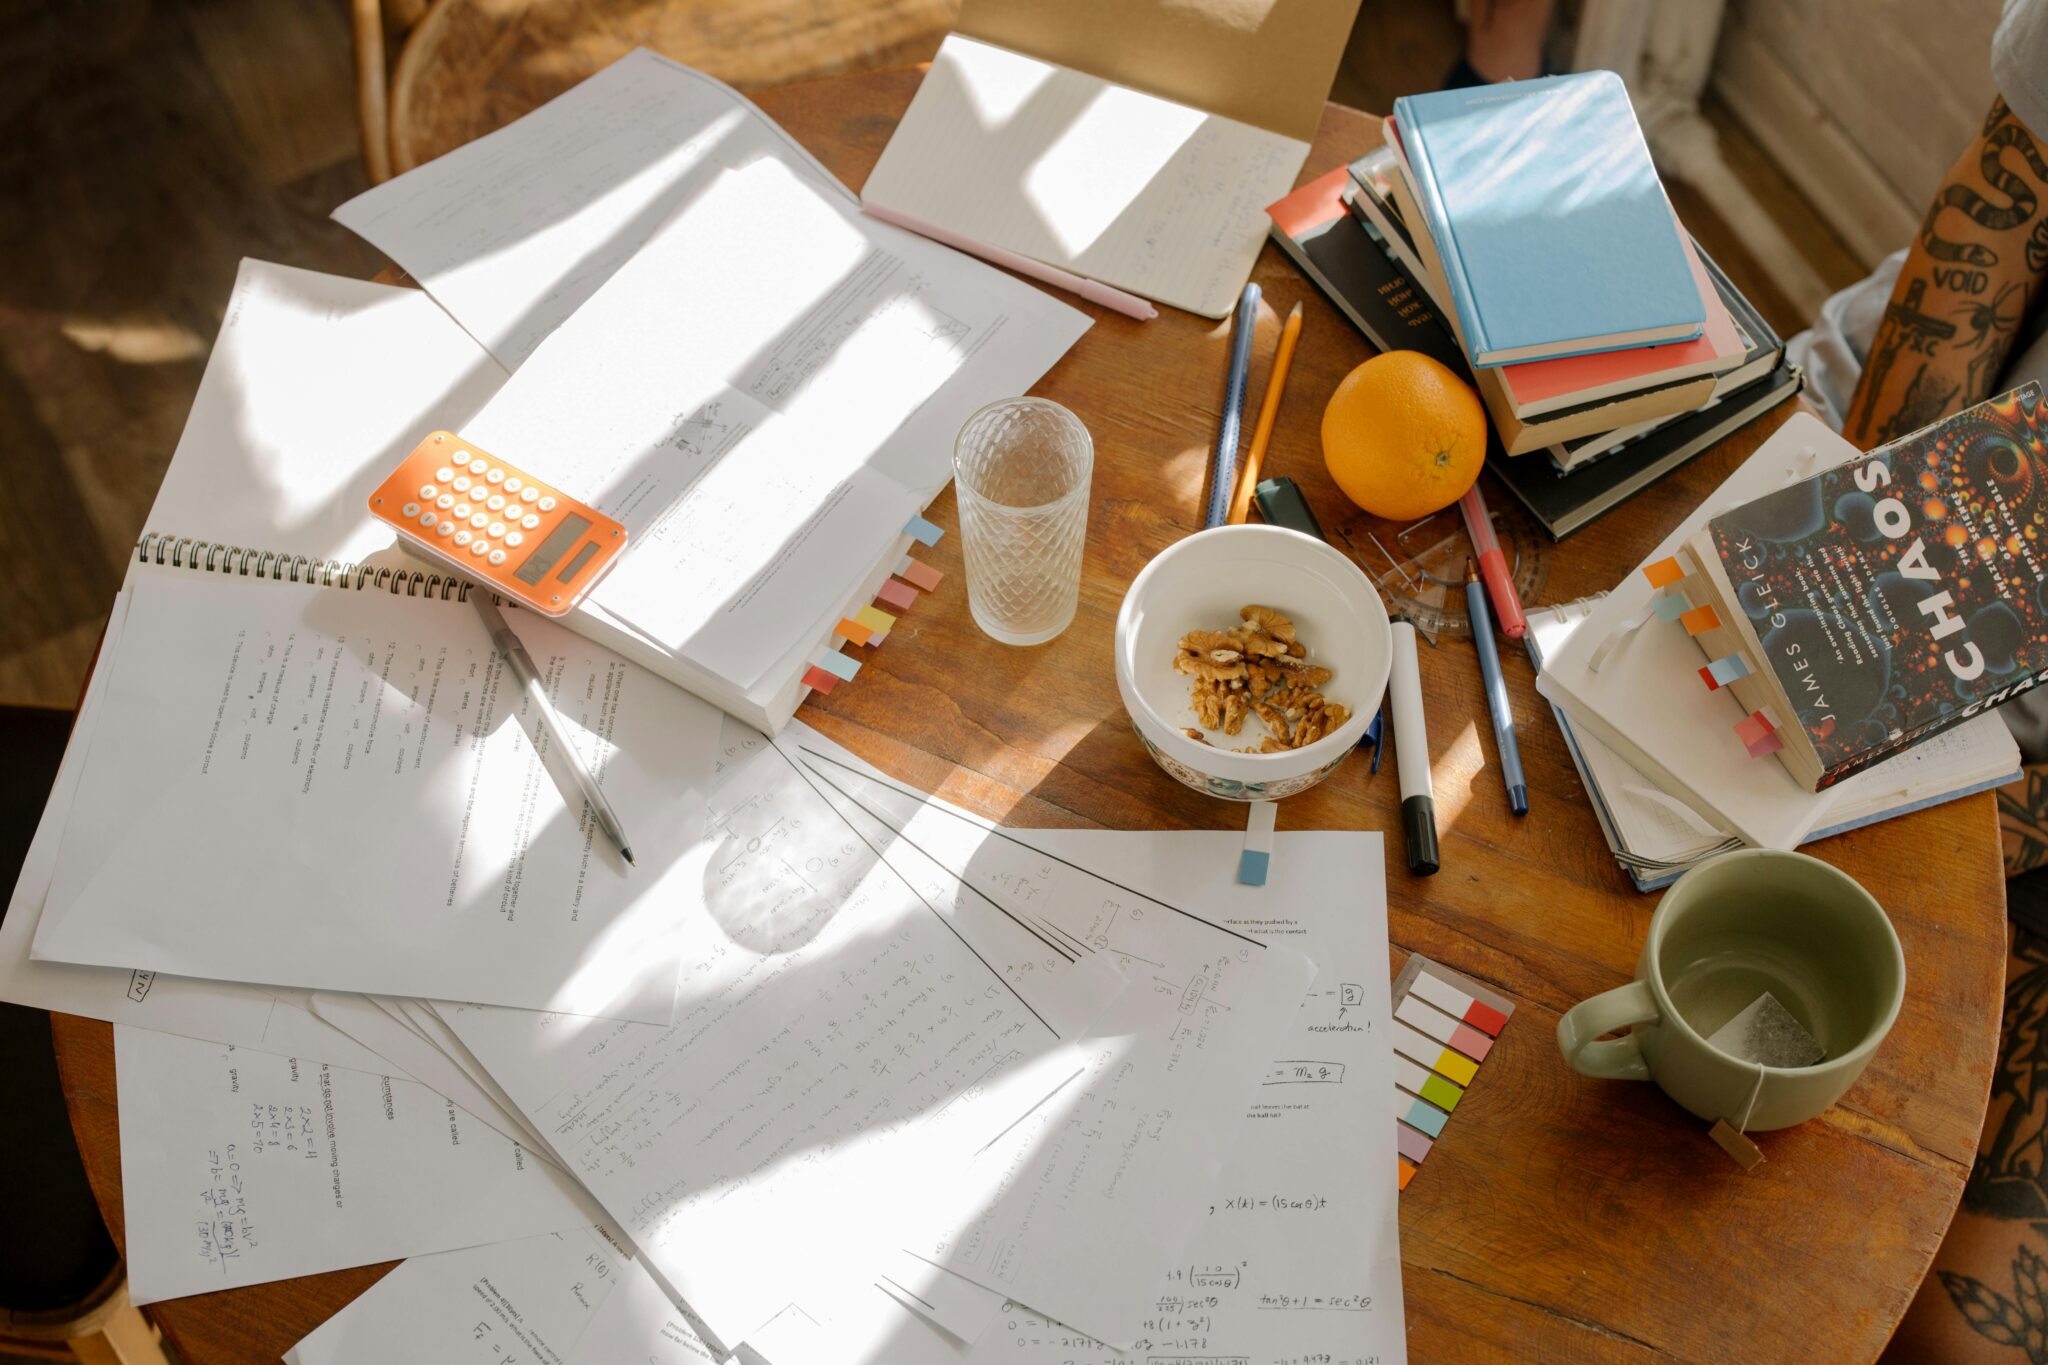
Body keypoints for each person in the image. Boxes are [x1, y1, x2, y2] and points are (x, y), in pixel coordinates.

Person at [1799, 2, 2048, 1358]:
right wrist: (1865, 652)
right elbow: (1995, 235)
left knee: (1948, 1337)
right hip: (1880, 507)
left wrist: (1959, 827)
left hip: (2033, 815)